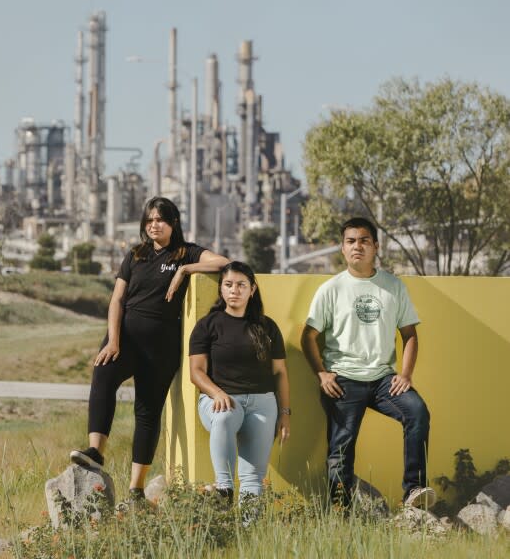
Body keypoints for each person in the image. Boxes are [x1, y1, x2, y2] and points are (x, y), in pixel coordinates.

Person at [70, 196, 229, 501]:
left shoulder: (186, 252)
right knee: (102, 376)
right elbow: (117, 300)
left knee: (148, 411)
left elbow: (223, 263)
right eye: (150, 220)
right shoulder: (136, 255)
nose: (154, 225)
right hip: (125, 338)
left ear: (173, 223)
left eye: (160, 219)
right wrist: (113, 340)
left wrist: (185, 270)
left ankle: (136, 489)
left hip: (162, 346)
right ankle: (95, 451)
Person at [300, 217, 434, 509]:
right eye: (350, 241)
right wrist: (322, 374)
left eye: (363, 241)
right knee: (341, 449)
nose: (357, 246)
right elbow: (308, 337)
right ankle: (340, 509)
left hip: (384, 379)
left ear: (375, 246)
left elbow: (410, 334)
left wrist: (406, 374)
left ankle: (414, 490)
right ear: (342, 248)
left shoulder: (393, 286)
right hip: (343, 379)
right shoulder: (331, 289)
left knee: (418, 413)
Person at [188, 261, 291, 504]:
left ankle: (248, 533)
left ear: (252, 289)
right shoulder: (207, 325)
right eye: (229, 285)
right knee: (223, 416)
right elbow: (196, 372)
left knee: (253, 478)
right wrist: (216, 393)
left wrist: (285, 413)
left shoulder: (267, 326)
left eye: (241, 285)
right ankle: (224, 489)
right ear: (221, 289)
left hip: (263, 403)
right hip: (220, 402)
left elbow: (280, 374)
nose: (234, 290)